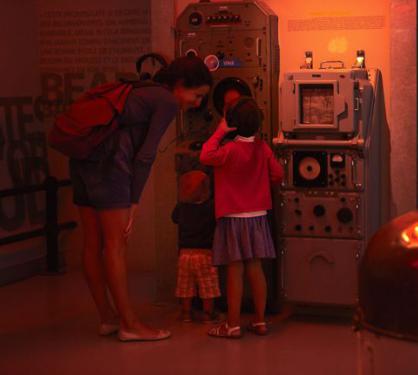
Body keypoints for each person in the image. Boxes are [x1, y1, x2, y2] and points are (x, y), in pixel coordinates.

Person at [69, 56, 212, 342]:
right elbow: (146, 155)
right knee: (115, 246)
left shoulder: (139, 88)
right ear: (180, 85)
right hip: (111, 168)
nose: (197, 103)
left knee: (92, 244)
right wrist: (133, 202)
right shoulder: (166, 101)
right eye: (196, 96)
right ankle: (130, 324)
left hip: (82, 161)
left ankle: (108, 318)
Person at [199, 97, 284, 338]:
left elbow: (205, 155)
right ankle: (260, 321)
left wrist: (219, 132)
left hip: (232, 217)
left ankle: (232, 325)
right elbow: (278, 173)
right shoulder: (262, 147)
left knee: (234, 270)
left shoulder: (228, 150)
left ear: (231, 122)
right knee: (256, 268)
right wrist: (263, 185)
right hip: (257, 217)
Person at [172, 170, 220, 323]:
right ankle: (208, 313)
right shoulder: (211, 207)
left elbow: (174, 218)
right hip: (205, 254)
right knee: (207, 286)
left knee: (185, 285)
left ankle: (186, 313)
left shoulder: (181, 207)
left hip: (184, 255)